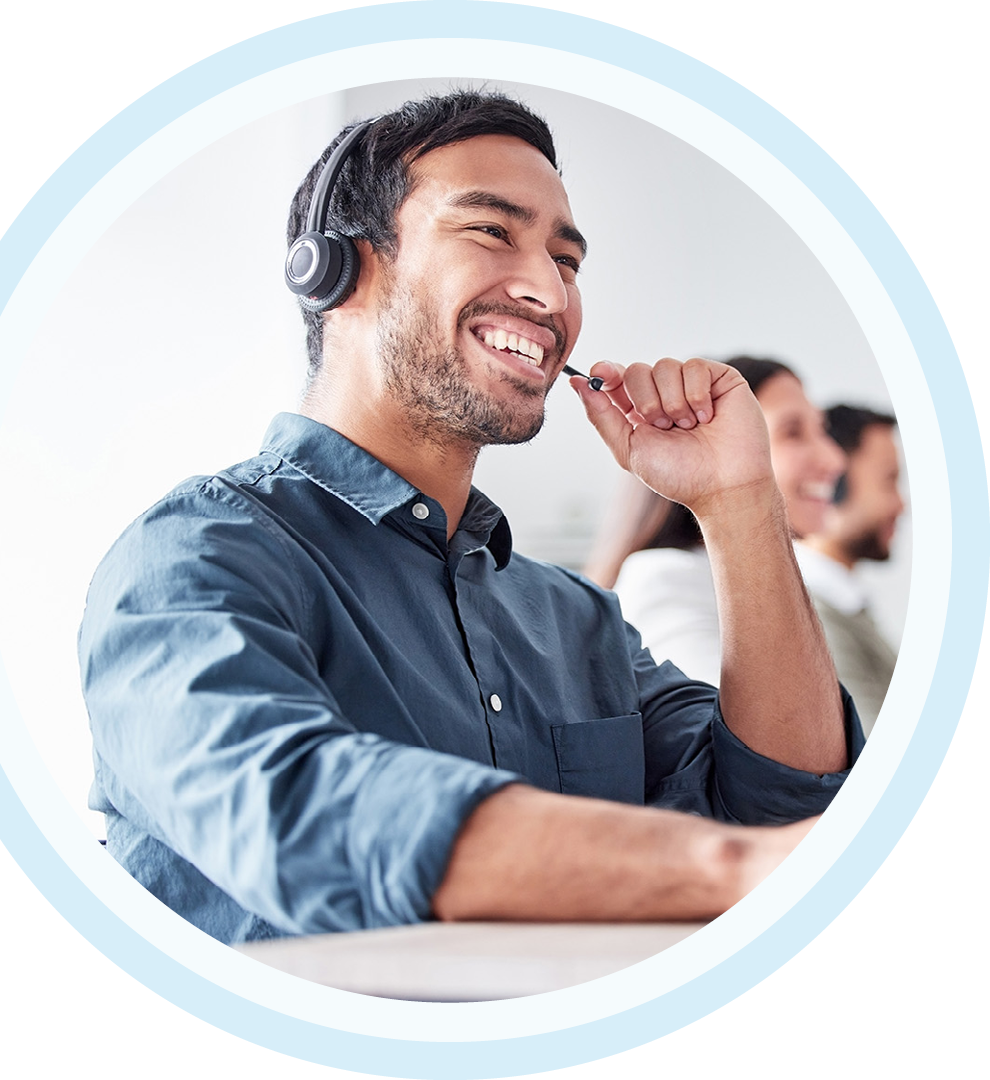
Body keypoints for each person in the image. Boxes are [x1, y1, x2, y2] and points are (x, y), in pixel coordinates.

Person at [78, 92, 861, 945]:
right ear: (337, 269)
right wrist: (731, 868)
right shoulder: (193, 556)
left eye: (567, 260)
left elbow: (784, 803)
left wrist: (740, 499)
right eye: (492, 231)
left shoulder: (577, 621)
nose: (549, 292)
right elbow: (298, 812)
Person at [596, 357, 847, 688]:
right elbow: (761, 734)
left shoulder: (787, 584)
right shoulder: (666, 579)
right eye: (793, 433)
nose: (834, 459)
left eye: (821, 430)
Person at [796, 405, 904, 734]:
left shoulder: (846, 605)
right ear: (834, 485)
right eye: (889, 482)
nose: (901, 504)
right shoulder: (814, 618)